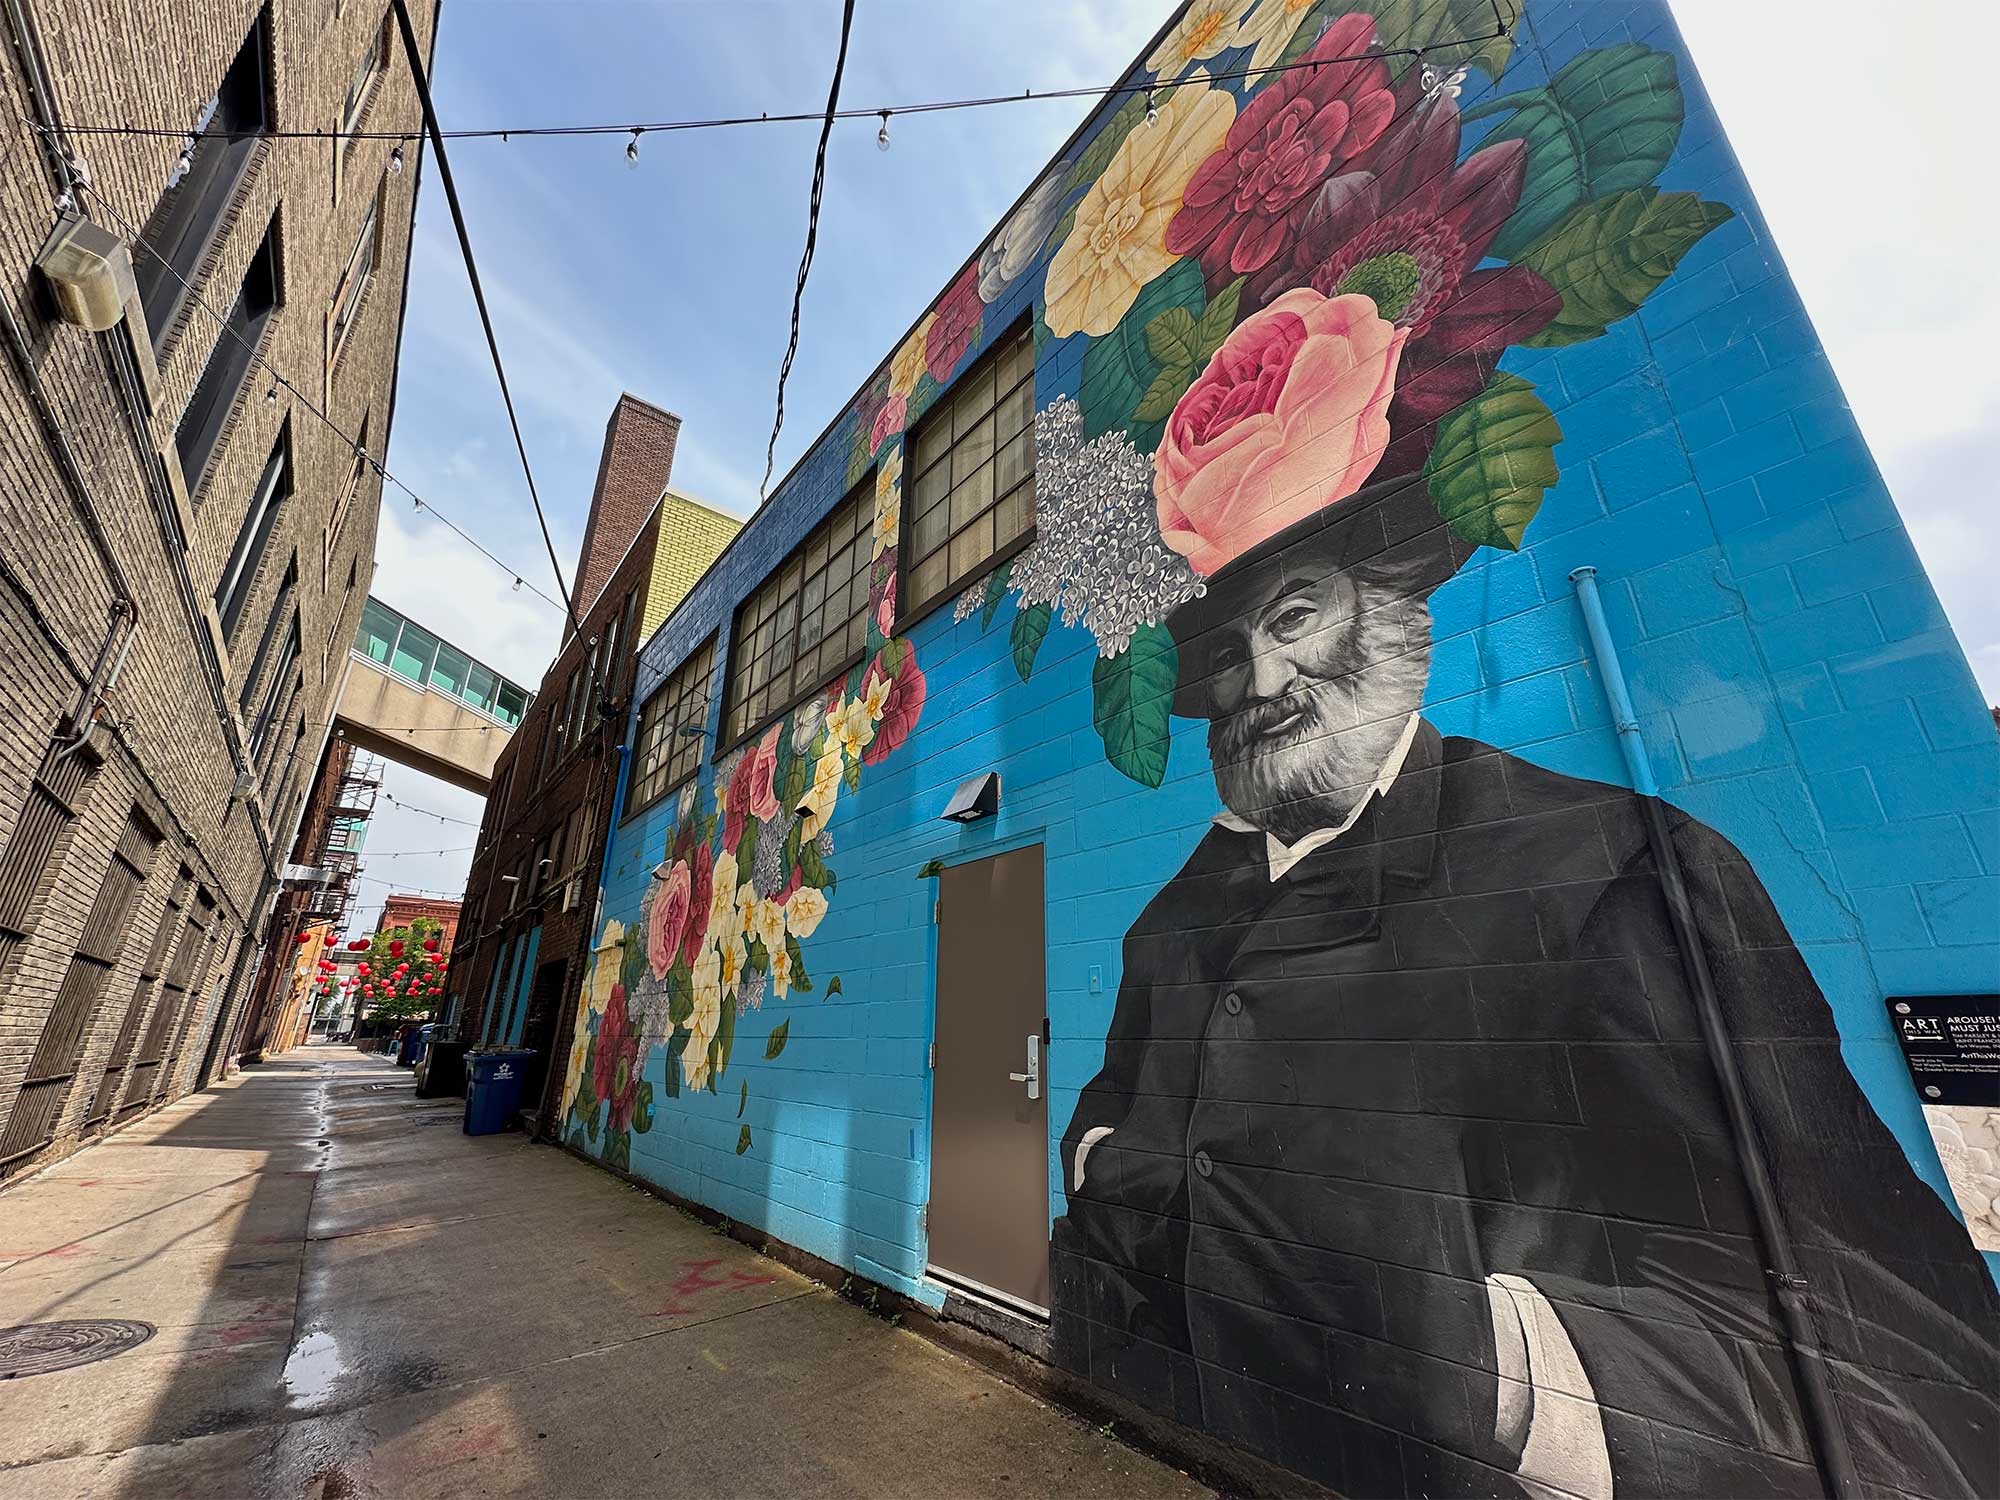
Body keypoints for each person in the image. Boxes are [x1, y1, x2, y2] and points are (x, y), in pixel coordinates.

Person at [1051, 474, 2000, 1499]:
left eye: (1292, 618)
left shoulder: (1617, 872)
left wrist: (1496, 1369)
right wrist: (1105, 1170)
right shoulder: (1172, 922)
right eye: (1227, 657)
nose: (1261, 680)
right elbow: (1115, 1127)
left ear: (1394, 613)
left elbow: (1900, 1351)